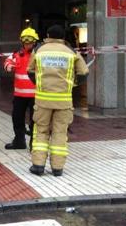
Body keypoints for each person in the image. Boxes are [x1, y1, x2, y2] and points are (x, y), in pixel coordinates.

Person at [27, 25, 89, 177]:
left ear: (48, 35)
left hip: (43, 100)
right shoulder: (70, 51)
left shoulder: (39, 50)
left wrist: (41, 84)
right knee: (60, 133)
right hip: (64, 101)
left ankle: (38, 166)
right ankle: (57, 168)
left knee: (41, 131)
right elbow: (83, 73)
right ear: (63, 37)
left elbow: (30, 71)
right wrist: (71, 84)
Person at [3, 27, 39, 150]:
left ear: (35, 41)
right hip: (19, 95)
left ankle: (34, 144)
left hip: (36, 95)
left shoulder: (39, 55)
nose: (27, 43)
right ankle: (19, 141)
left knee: (36, 121)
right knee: (17, 119)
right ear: (22, 41)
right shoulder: (17, 54)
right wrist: (9, 66)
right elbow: (7, 62)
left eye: (30, 40)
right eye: (25, 40)